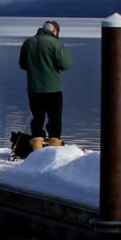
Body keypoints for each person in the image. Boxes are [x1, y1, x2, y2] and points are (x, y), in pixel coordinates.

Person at [18, 19, 72, 147]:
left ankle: (36, 146)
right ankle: (54, 145)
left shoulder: (28, 42)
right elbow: (65, 65)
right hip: (53, 88)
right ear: (54, 31)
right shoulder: (55, 43)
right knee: (54, 118)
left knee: (37, 117)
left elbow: (22, 64)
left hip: (33, 88)